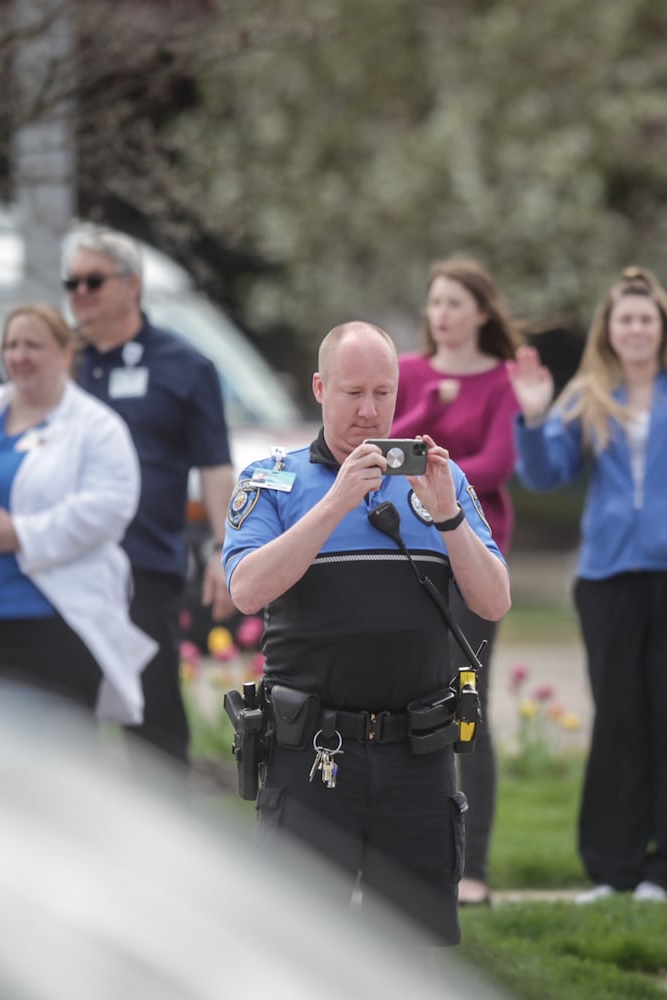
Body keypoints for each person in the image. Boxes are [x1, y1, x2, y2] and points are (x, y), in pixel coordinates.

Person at [223, 321, 511, 946]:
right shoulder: (273, 479)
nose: (370, 410)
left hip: (418, 758)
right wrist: (333, 504)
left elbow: (493, 600)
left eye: (384, 392)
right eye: (353, 393)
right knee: (295, 947)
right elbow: (246, 590)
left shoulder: (439, 480)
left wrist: (449, 517)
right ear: (320, 388)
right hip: (313, 757)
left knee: (409, 954)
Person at [508, 267, 667, 904]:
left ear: (662, 326)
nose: (637, 329)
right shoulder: (586, 394)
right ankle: (614, 871)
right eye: (625, 320)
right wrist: (531, 418)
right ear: (609, 332)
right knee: (620, 721)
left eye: (646, 319)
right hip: (608, 578)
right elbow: (543, 473)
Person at [0, 304, 156, 721]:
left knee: (51, 765)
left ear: (65, 354)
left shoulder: (97, 427)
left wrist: (19, 533)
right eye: (12, 345)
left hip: (53, 623)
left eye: (33, 345)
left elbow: (111, 502)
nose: (20, 356)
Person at [67, 228, 236, 766]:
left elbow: (214, 467)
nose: (80, 293)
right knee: (64, 720)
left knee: (152, 722)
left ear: (132, 284)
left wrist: (224, 548)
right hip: (64, 568)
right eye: (72, 283)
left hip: (145, 567)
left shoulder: (186, 367)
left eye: (93, 280)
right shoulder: (61, 364)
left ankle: (164, 843)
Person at [392, 256, 522, 908]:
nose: (441, 316)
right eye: (434, 303)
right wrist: (424, 405)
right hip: (407, 556)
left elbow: (497, 465)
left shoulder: (501, 380)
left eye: (454, 304)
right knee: (410, 699)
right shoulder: (411, 376)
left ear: (480, 313)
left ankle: (472, 866)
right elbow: (385, 448)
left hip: (473, 554)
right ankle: (410, 853)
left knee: (469, 706)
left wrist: (435, 465)